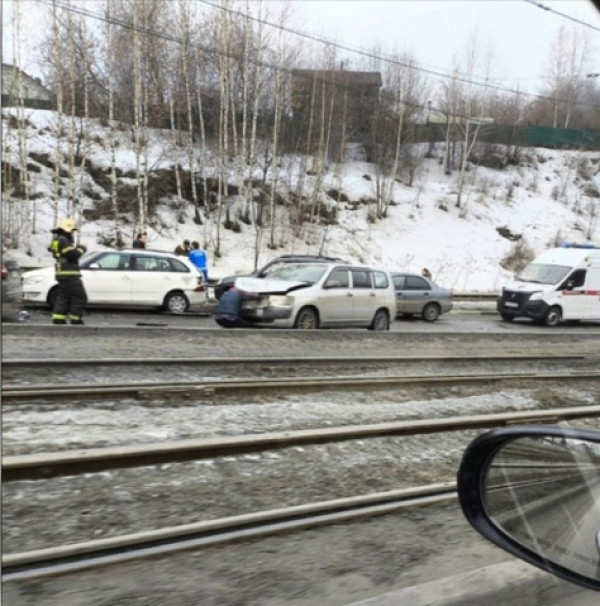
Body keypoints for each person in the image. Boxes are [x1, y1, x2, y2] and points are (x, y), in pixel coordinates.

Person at [48, 218, 87, 325]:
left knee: (63, 296)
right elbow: (73, 255)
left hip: (62, 272)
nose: (73, 233)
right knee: (79, 296)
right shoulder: (63, 240)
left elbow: (54, 252)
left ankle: (58, 318)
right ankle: (76, 319)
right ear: (67, 228)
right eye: (72, 230)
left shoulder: (57, 239)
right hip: (69, 272)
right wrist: (82, 248)